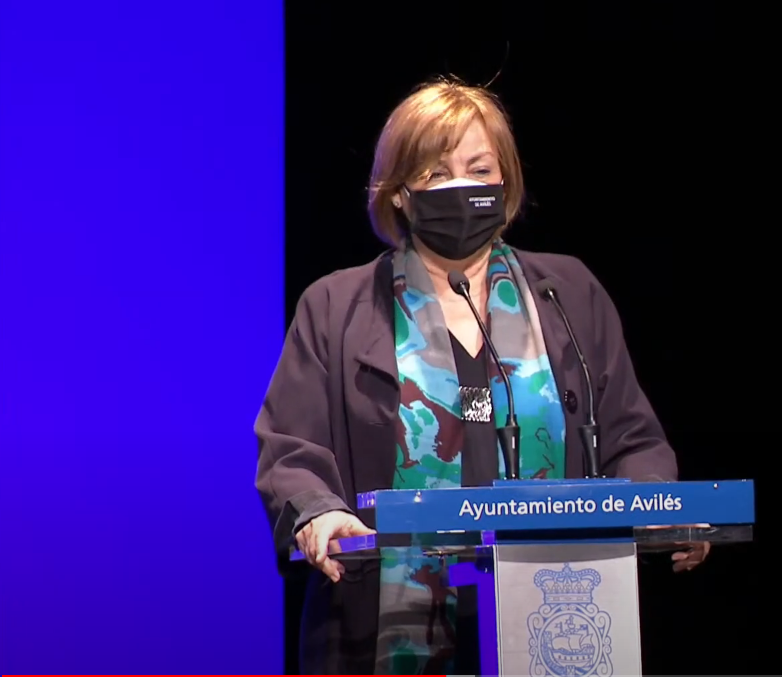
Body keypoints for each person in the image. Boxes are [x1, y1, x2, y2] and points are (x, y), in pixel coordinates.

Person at [254, 79, 708, 675]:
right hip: (377, 626)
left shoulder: (567, 294)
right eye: (437, 174)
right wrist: (318, 512)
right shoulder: (337, 306)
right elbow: (291, 447)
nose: (462, 188)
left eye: (478, 169)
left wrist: (661, 504)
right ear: (399, 194)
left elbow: (632, 437)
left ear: (505, 181)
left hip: (557, 610)